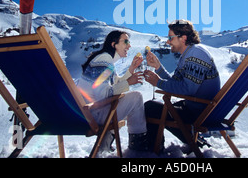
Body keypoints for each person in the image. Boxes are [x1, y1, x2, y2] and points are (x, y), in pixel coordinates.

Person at [143, 20, 221, 151]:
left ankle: (153, 149)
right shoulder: (188, 54)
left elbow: (186, 89)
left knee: (151, 108)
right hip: (196, 107)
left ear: (183, 38)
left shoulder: (196, 53)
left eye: (170, 38)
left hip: (200, 112)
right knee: (159, 107)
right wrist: (158, 67)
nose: (168, 42)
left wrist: (158, 83)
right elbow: (176, 83)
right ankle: (191, 142)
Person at [76, 30, 148, 152]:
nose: (129, 46)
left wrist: (131, 69)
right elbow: (104, 94)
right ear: (114, 44)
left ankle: (107, 140)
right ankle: (137, 145)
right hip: (93, 114)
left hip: (88, 112)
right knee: (136, 98)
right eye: (125, 42)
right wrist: (128, 82)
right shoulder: (104, 60)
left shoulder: (105, 59)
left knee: (124, 101)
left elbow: (115, 84)